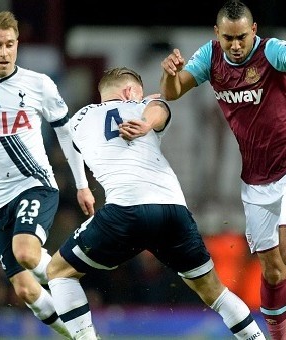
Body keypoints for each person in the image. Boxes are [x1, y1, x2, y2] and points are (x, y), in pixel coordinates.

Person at [159, 1, 286, 339]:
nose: (235, 46)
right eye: (228, 39)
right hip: (255, 181)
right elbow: (171, 92)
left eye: (241, 38)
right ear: (216, 34)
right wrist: (170, 73)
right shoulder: (210, 57)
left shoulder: (272, 52)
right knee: (273, 271)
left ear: (254, 31)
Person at [46, 67, 266, 340]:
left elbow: (69, 145)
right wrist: (147, 119)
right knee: (215, 292)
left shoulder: (78, 120)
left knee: (58, 272)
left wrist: (81, 186)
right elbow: (158, 108)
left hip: (125, 213)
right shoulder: (144, 106)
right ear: (129, 92)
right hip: (173, 211)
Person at [0, 11, 95, 338]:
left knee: (25, 253)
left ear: (18, 44)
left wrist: (82, 185)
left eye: (10, 44)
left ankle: (68, 279)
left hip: (35, 185)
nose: (4, 52)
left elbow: (66, 135)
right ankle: (82, 336)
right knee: (25, 290)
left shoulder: (39, 84)